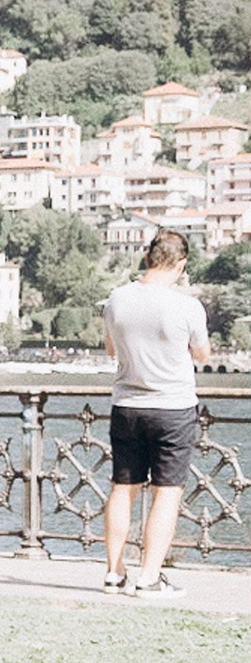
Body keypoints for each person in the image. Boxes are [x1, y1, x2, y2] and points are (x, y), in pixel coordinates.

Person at [101, 228, 211, 596]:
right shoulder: (187, 306)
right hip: (173, 408)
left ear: (147, 258)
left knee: (123, 488)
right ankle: (149, 577)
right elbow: (202, 355)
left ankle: (114, 572)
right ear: (181, 264)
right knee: (167, 492)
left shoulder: (117, 299)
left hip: (127, 406)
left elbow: (110, 349)